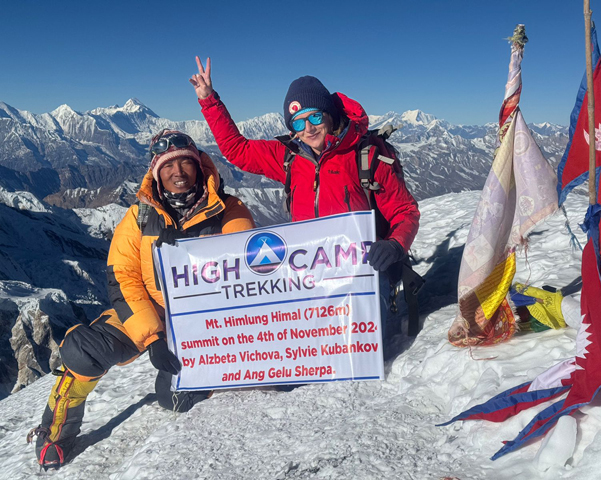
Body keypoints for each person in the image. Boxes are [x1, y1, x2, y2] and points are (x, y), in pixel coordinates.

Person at [28, 130, 256, 470]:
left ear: (199, 167)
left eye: (185, 164)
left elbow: (246, 269)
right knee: (84, 349)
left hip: (203, 316)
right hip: (149, 306)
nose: (178, 173)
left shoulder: (229, 211)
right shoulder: (139, 217)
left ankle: (215, 379)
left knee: (174, 398)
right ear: (156, 173)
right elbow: (123, 278)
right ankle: (57, 433)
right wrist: (153, 336)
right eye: (168, 167)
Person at [189, 57, 420, 338]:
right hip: (310, 272)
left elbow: (404, 211)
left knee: (359, 346)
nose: (308, 129)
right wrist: (209, 100)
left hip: (363, 271)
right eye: (298, 122)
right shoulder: (289, 157)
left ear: (329, 114)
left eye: (314, 117)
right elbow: (237, 150)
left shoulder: (367, 155)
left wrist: (395, 245)